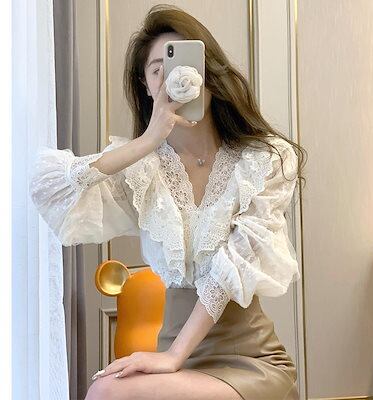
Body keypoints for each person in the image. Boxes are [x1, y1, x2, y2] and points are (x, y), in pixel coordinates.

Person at [29, 4, 307, 400]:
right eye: (157, 70)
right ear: (145, 86)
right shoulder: (142, 169)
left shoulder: (262, 160)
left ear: (209, 74)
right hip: (176, 366)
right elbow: (49, 188)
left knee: (106, 392)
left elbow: (232, 266)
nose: (173, 79)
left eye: (182, 64)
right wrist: (147, 141)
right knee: (108, 388)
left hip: (250, 361)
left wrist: (174, 355)